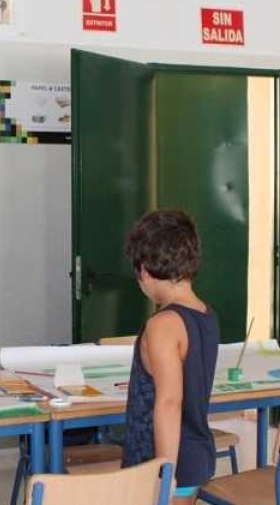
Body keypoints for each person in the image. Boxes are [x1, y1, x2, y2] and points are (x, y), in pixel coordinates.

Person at [120, 210, 220, 505]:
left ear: (145, 271)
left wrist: (166, 472)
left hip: (165, 460)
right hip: (195, 452)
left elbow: (169, 403)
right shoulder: (205, 314)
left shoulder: (163, 325)